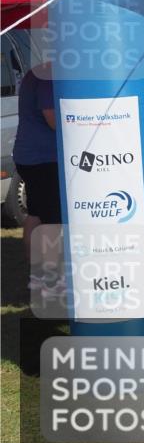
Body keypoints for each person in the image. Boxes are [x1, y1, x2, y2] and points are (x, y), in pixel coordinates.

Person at [12, 63, 61, 292]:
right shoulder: (48, 76)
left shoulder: (39, 72)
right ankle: (50, 278)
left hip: (30, 155)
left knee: (36, 214)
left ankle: (38, 276)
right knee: (52, 219)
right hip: (43, 157)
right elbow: (52, 119)